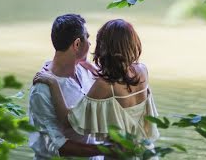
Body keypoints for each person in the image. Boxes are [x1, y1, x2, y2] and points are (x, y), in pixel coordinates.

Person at [33, 18, 159, 150]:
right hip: (145, 150)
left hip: (119, 155)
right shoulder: (142, 70)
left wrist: (53, 83)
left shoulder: (105, 85)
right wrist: (82, 62)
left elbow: (68, 121)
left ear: (105, 47)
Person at [29, 14, 104, 160]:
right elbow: (56, 146)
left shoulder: (86, 70)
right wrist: (106, 150)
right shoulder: (42, 90)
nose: (89, 44)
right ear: (76, 44)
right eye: (87, 38)